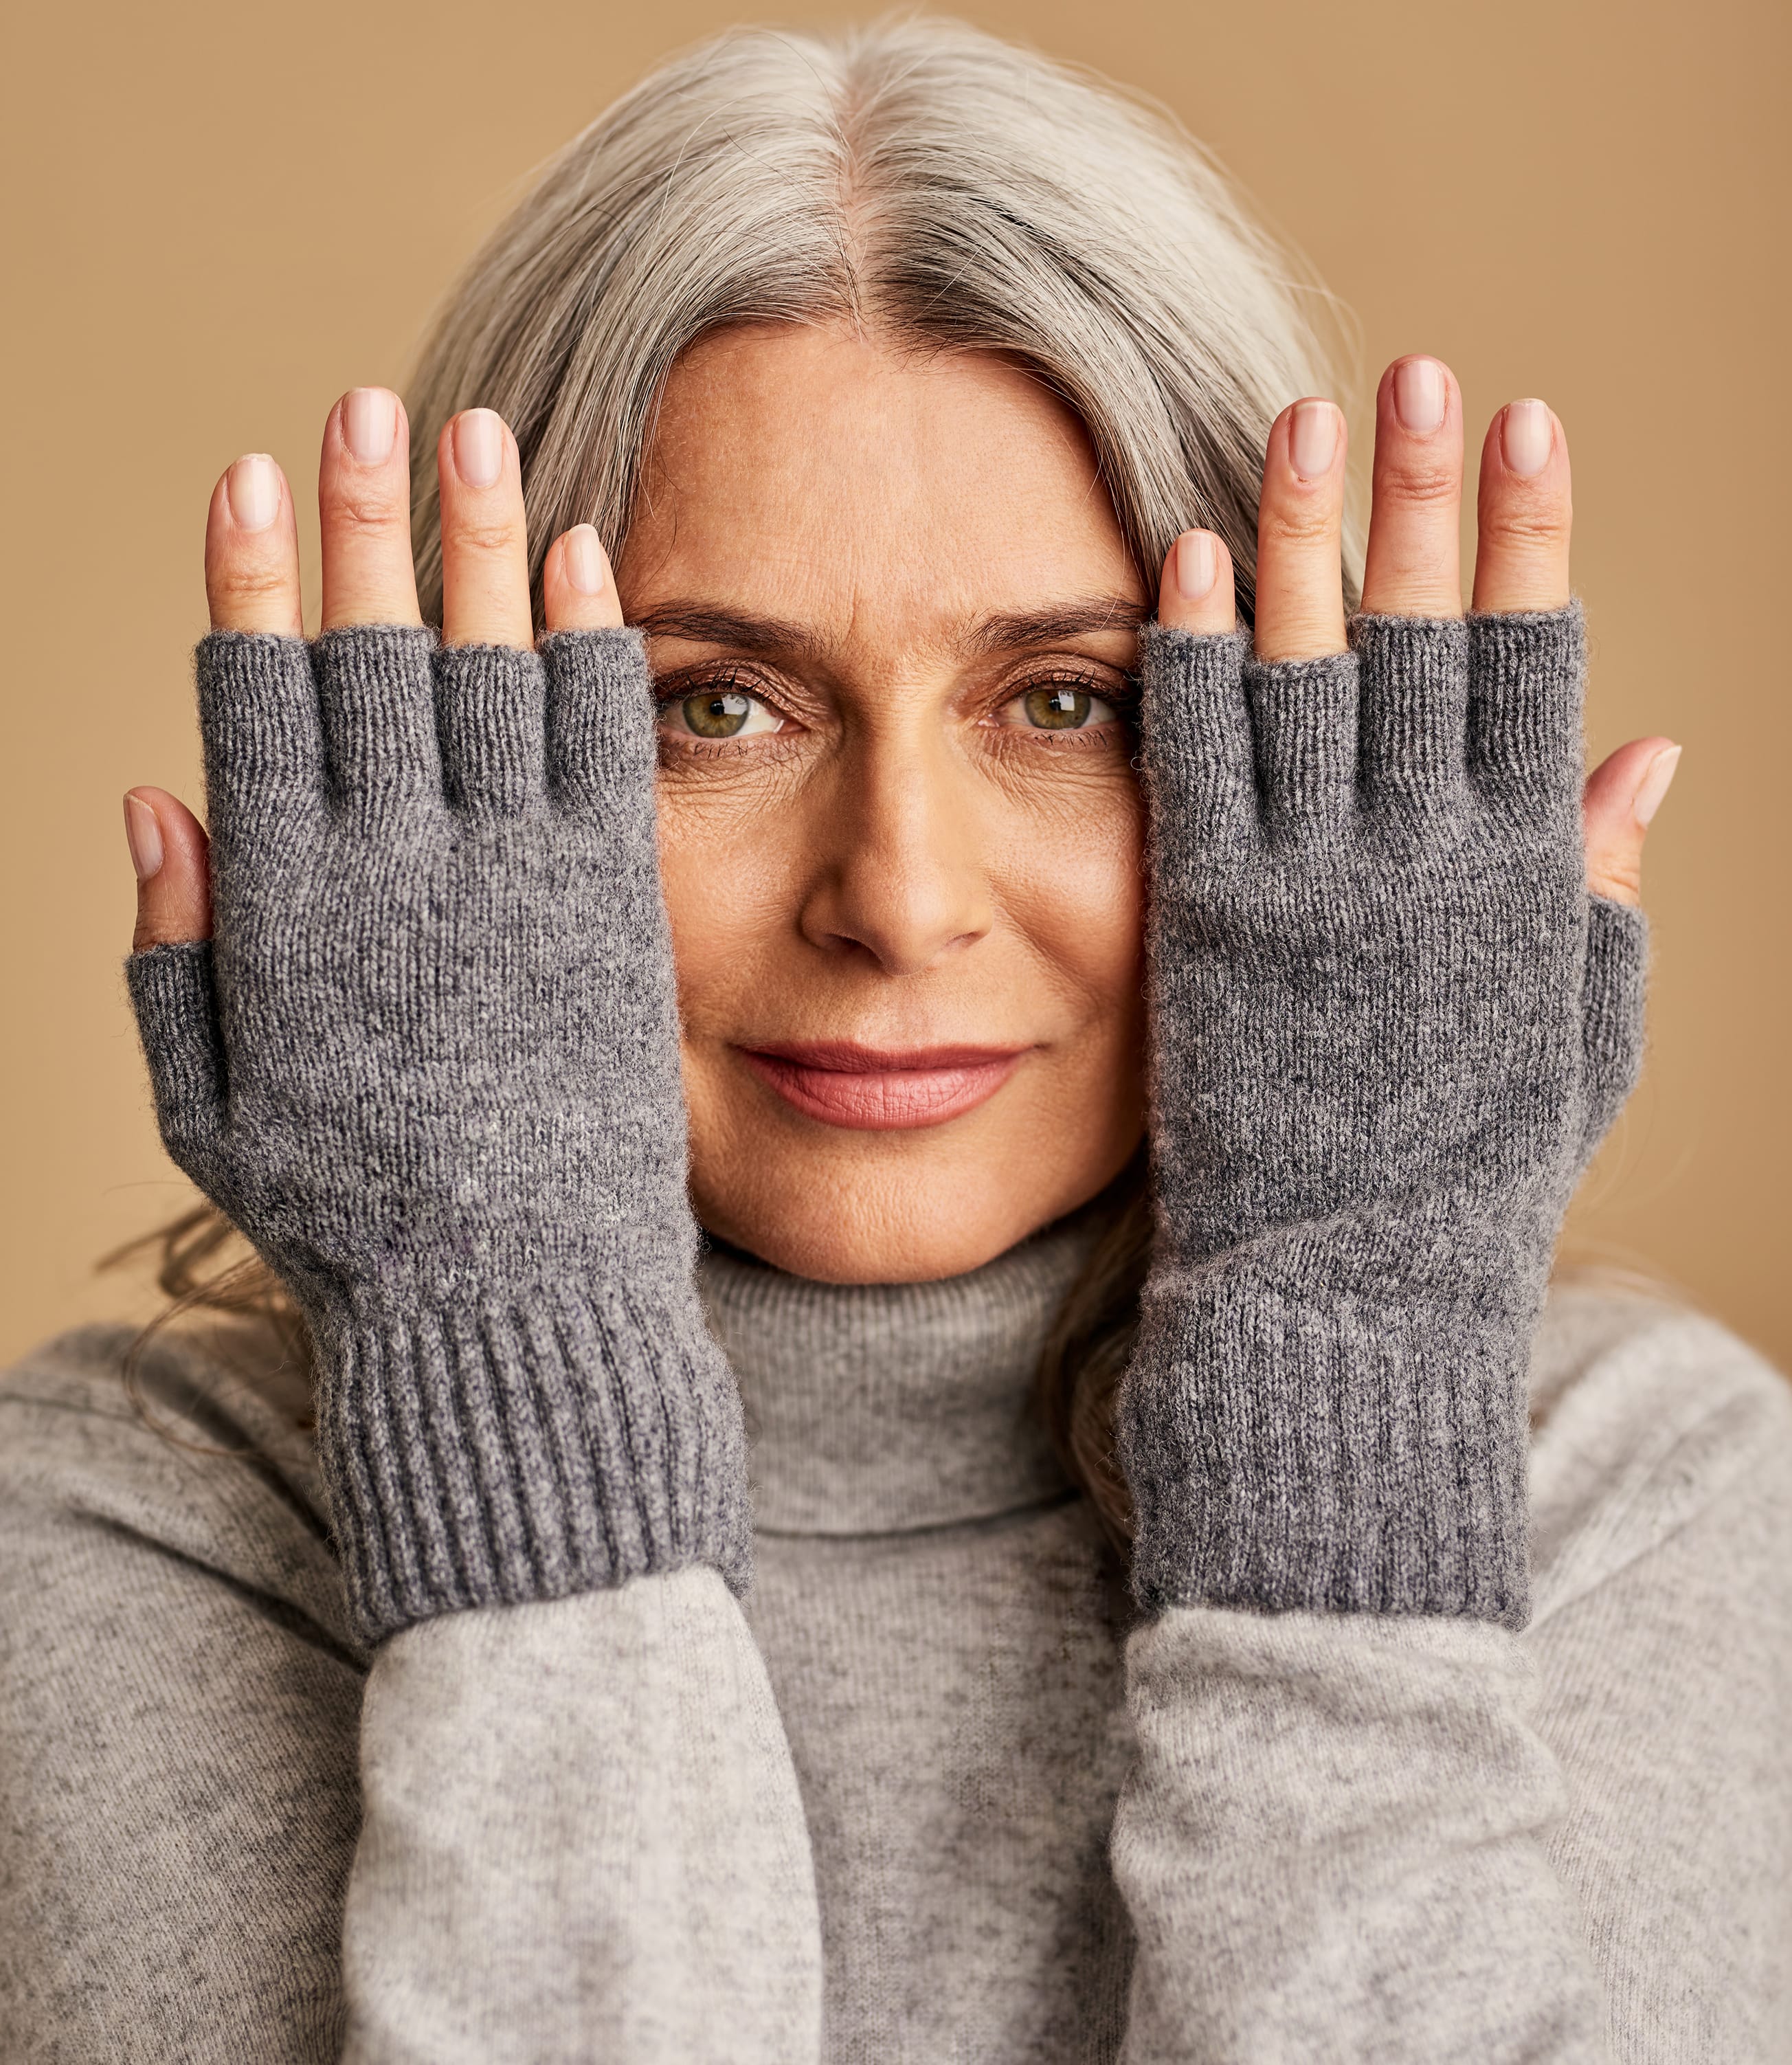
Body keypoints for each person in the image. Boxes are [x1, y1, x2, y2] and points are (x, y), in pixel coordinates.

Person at [3, 19, 1787, 2062]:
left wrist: (1349, 1383)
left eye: (1065, 702)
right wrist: (491, 1349)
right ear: (435, 758)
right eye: (715, 706)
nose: (899, 897)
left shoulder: (1632, 1489)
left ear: (1306, 750)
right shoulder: (134, 1519)